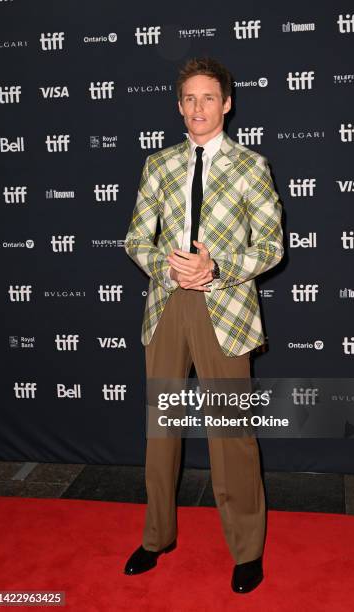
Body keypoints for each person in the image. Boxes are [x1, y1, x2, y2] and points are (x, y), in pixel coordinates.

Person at [123, 56, 284, 594]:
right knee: (161, 432)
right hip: (167, 305)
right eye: (189, 98)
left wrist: (219, 267)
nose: (198, 107)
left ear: (227, 103)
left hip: (226, 306)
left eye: (208, 97)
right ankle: (156, 537)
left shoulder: (251, 166)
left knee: (231, 434)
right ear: (179, 105)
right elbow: (136, 240)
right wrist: (165, 266)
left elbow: (271, 246)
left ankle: (246, 549)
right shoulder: (159, 165)